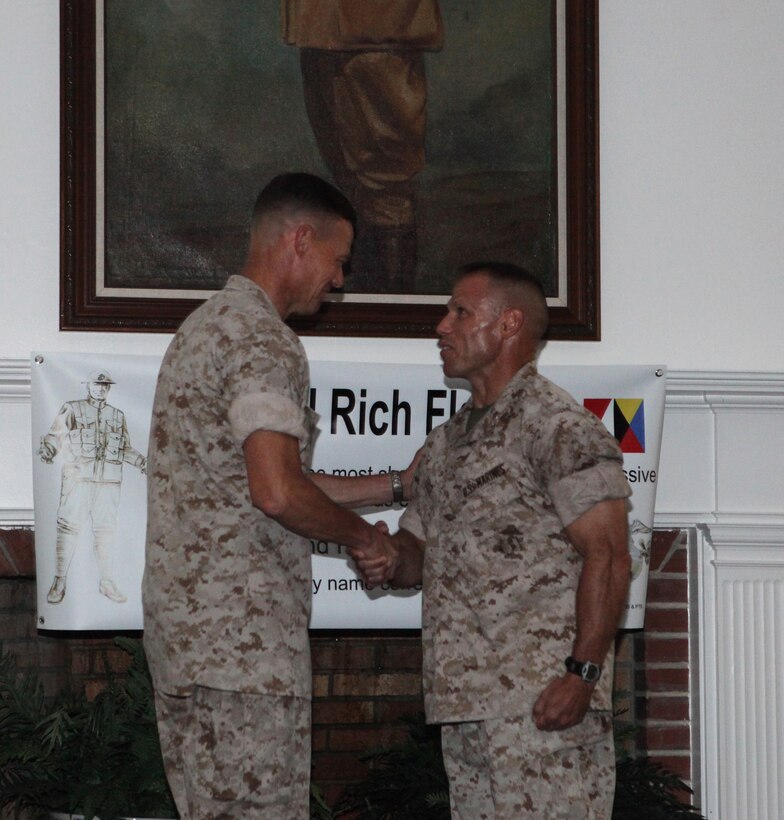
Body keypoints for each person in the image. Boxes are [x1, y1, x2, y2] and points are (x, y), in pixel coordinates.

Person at [142, 172, 408, 819]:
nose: (338, 280)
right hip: (244, 651)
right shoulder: (263, 339)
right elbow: (278, 493)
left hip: (193, 645)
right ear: (300, 239)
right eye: (338, 260)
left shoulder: (204, 329)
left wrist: (397, 486)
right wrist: (364, 537)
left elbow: (275, 477)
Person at [357, 262, 632, 818]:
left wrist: (582, 674)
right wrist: (389, 558)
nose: (442, 325)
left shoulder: (558, 426)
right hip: (467, 705)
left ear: (509, 324)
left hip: (543, 703)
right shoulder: (446, 442)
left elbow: (609, 554)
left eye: (460, 311)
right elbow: (419, 552)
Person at [282, 0, 444, 292]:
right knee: (349, 177)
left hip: (377, 24)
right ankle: (372, 307)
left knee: (386, 183)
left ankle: (389, 317)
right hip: (319, 24)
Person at [38, 370, 147, 605]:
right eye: (96, 384)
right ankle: (59, 581)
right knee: (68, 528)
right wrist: (47, 449)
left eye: (104, 385)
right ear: (87, 386)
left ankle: (106, 582)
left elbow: (124, 448)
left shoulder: (118, 415)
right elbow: (56, 434)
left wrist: (142, 462)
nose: (100, 388)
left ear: (109, 389)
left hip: (108, 484)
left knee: (106, 532)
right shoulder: (72, 408)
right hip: (78, 481)